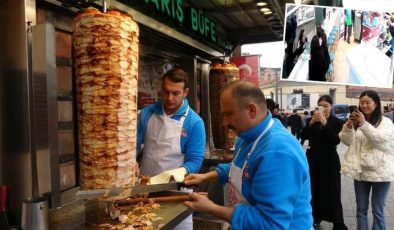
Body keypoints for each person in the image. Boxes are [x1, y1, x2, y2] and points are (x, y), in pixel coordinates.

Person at [183, 80, 312, 229]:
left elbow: (270, 224)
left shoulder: (278, 152)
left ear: (251, 110)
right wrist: (206, 176)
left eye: (228, 114)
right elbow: (240, 169)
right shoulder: (246, 136)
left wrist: (211, 208)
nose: (224, 123)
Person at [137, 67, 206, 230]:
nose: (169, 98)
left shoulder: (194, 122)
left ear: (186, 92)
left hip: (177, 193)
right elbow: (134, 145)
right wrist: (131, 161)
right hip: (144, 189)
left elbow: (195, 161)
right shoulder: (147, 114)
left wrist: (176, 173)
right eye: (166, 92)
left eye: (175, 93)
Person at [339, 90, 394, 230]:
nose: (364, 105)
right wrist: (348, 126)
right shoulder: (357, 123)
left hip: (380, 171)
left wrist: (364, 124)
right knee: (361, 209)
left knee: (378, 210)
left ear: (376, 104)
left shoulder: (386, 122)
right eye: (361, 102)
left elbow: (380, 141)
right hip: (360, 171)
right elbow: (347, 141)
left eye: (367, 102)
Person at [300, 95, 348, 230]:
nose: (323, 109)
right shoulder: (311, 120)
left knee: (332, 190)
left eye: (326, 106)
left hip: (330, 160)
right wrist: (310, 124)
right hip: (313, 159)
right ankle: (315, 217)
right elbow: (303, 136)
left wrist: (325, 124)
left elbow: (335, 140)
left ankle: (337, 222)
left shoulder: (337, 122)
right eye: (320, 106)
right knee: (314, 189)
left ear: (331, 107)